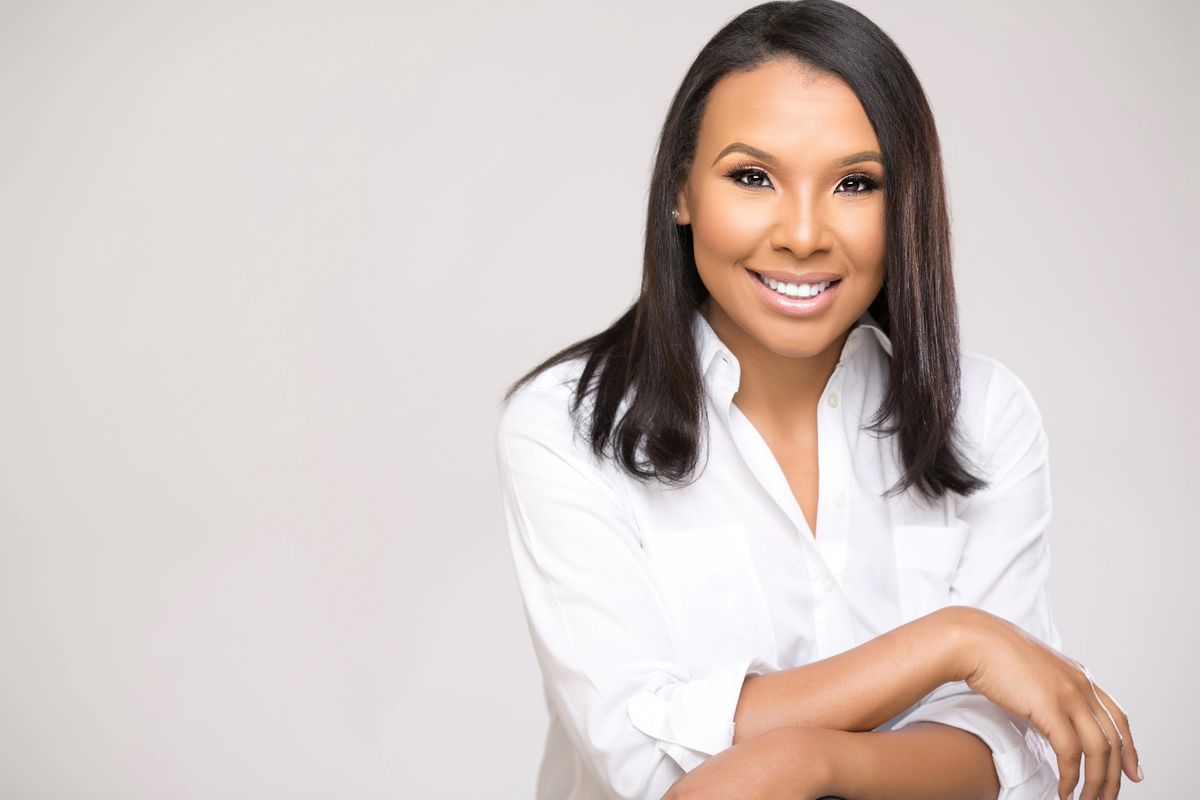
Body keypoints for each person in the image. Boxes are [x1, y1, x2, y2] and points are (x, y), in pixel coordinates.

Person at [494, 1, 1143, 798]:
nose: (803, 234)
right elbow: (650, 766)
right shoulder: (567, 428)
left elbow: (1024, 756)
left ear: (903, 204)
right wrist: (955, 643)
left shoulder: (986, 417)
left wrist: (809, 763)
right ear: (680, 192)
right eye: (752, 176)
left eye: (854, 183)